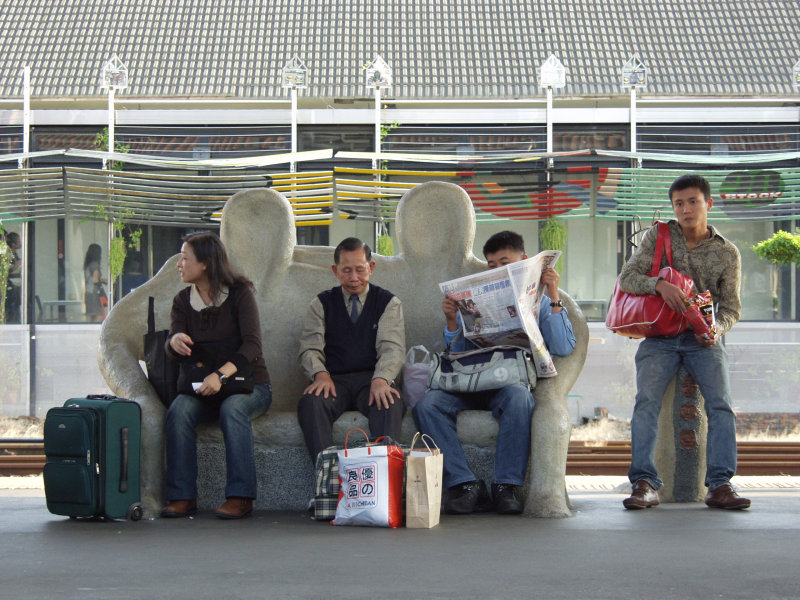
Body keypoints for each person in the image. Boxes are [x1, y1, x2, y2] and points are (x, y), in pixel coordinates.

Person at [413, 230, 576, 515]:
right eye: (492, 265)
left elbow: (562, 347)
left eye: (505, 262)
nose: (498, 270)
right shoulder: (477, 296)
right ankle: (465, 484)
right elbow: (455, 351)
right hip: (469, 380)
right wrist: (452, 320)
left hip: (508, 382)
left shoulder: (540, 299)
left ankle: (505, 485)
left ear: (524, 261)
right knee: (428, 405)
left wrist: (552, 294)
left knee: (519, 399)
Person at [619, 174, 750, 510]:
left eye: (693, 201)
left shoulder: (727, 253)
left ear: (709, 203)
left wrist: (716, 330)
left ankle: (721, 485)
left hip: (701, 340)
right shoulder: (659, 236)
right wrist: (660, 285)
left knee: (721, 404)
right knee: (644, 403)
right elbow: (628, 278)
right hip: (659, 337)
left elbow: (732, 309)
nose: (686, 209)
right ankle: (645, 484)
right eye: (679, 203)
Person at [161, 232, 272, 519]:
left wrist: (220, 376)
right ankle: (182, 496)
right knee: (179, 410)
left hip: (249, 387)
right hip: (203, 388)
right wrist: (173, 343)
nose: (179, 264)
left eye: (185, 258)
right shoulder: (183, 301)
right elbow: (173, 342)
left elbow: (252, 345)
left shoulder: (240, 294)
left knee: (232, 409)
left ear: (206, 264)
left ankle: (240, 496)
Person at [297, 237, 405, 464]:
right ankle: (326, 474)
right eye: (346, 270)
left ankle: (385, 478)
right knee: (311, 402)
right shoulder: (321, 303)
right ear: (335, 271)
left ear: (371, 268)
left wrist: (382, 379)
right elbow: (310, 347)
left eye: (360, 269)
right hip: (334, 381)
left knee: (390, 402)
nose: (354, 278)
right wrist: (320, 374)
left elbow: (392, 348)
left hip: (372, 379)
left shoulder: (387, 302)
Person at [83, 243, 108, 322]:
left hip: (88, 293)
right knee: (99, 316)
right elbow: (95, 280)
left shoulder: (88, 265)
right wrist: (103, 280)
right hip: (95, 294)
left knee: (89, 316)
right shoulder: (95, 265)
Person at [4, 232, 21, 323]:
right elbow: (7, 270)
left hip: (15, 291)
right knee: (11, 313)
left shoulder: (14, 254)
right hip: (9, 289)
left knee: (16, 313)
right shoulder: (6, 254)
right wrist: (17, 264)